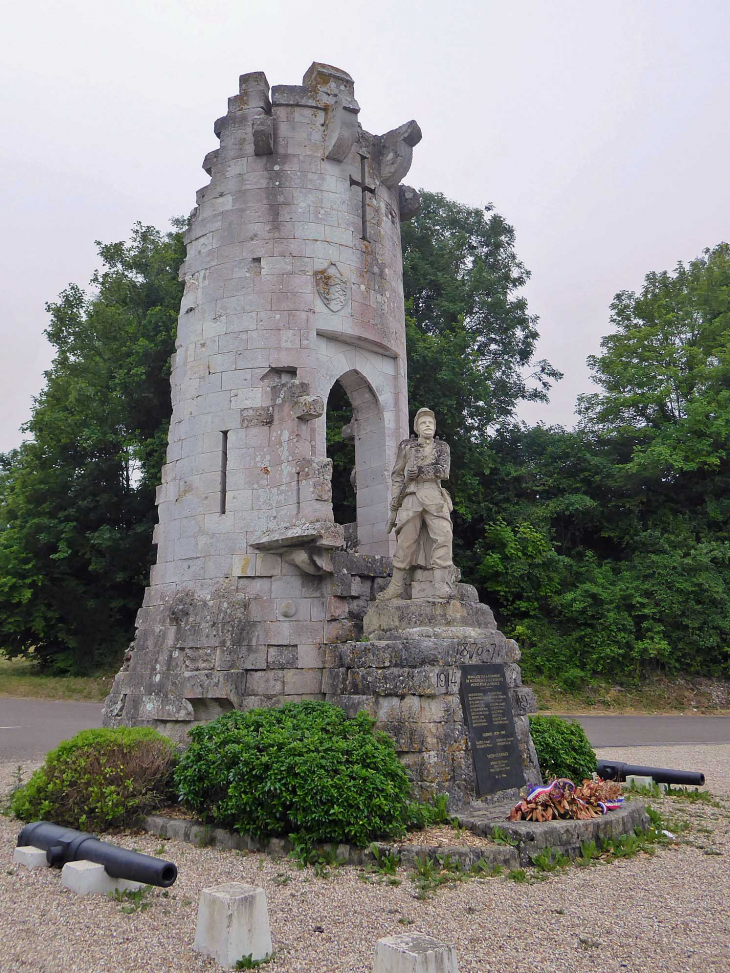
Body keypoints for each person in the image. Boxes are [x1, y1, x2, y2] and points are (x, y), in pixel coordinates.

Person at [377, 407, 454, 601]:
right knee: (405, 542)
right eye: (423, 423)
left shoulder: (442, 447)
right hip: (410, 497)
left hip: (434, 497)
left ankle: (440, 585)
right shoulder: (406, 447)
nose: (428, 426)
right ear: (417, 427)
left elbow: (443, 471)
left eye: (431, 423)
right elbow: (397, 475)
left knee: (444, 535)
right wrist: (395, 499)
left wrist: (419, 471)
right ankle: (395, 587)